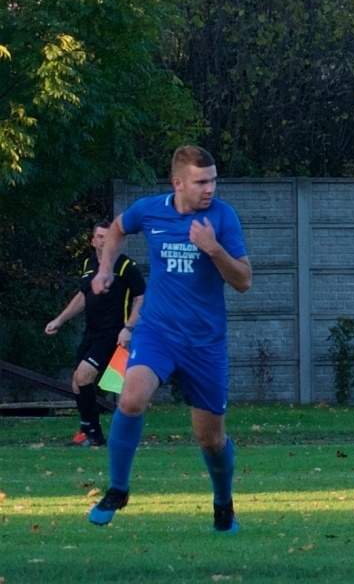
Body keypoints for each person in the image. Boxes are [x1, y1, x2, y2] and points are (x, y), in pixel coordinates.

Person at [87, 146, 251, 533]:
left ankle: (223, 503)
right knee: (130, 397)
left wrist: (213, 249)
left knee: (210, 439)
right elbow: (117, 228)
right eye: (201, 182)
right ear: (178, 183)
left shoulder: (223, 218)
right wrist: (106, 268)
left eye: (213, 180)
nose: (210, 189)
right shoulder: (150, 209)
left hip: (205, 342)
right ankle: (118, 488)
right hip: (157, 330)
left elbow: (244, 281)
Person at [45, 221, 145, 446]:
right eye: (99, 236)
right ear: (92, 241)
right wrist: (59, 320)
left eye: (108, 236)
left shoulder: (126, 265)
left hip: (113, 333)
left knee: (84, 376)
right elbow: (83, 296)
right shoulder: (89, 265)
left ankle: (93, 433)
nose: (104, 240)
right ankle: (89, 432)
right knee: (77, 383)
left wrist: (128, 328)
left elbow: (142, 298)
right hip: (91, 331)